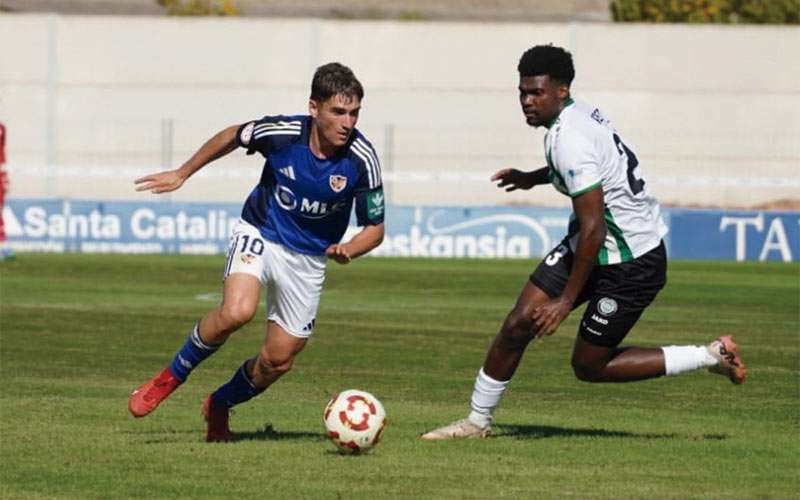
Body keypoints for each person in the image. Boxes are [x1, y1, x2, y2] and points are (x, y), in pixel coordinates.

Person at [421, 45, 746, 441]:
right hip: (592, 245)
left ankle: (708, 356)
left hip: (632, 260)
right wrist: (533, 177)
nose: (527, 101)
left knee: (589, 365)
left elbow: (595, 228)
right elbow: (584, 177)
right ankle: (476, 422)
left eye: (536, 93)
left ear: (561, 89)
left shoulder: (568, 137)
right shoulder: (576, 116)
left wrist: (563, 302)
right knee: (517, 324)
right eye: (522, 92)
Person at [129, 62, 385, 442]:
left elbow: (375, 229)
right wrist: (183, 172)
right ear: (314, 108)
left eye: (354, 113)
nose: (347, 122)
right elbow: (233, 135)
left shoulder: (362, 159)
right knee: (237, 311)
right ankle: (170, 378)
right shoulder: (282, 134)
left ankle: (219, 403)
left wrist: (350, 249)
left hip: (308, 259)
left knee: (278, 360)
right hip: (260, 231)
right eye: (338, 111)